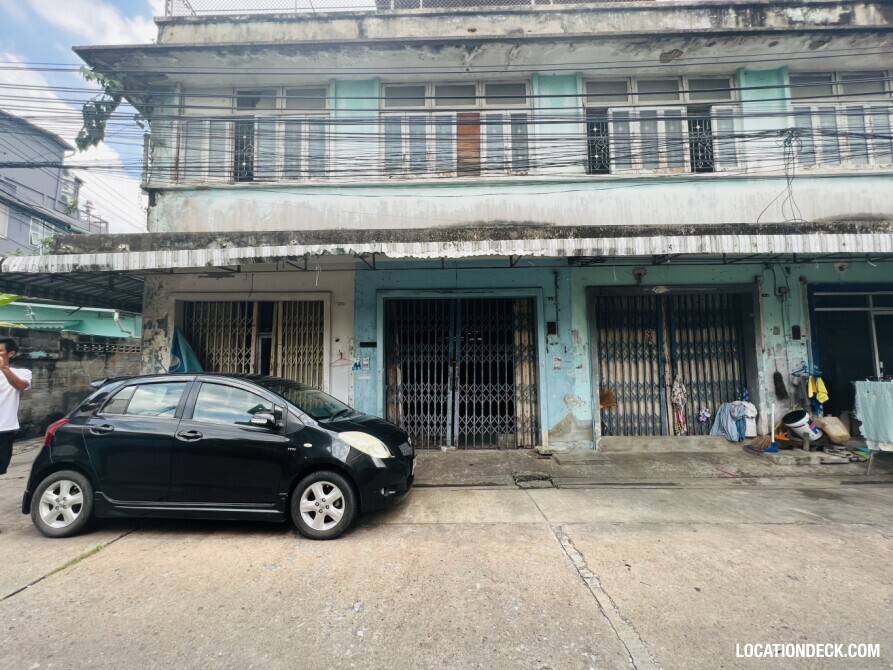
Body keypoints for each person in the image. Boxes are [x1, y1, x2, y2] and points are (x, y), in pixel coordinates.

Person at [0, 337, 31, 477]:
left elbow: (20, 386)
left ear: (10, 354)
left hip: (4, 431)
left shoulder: (23, 373)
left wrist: (4, 368)